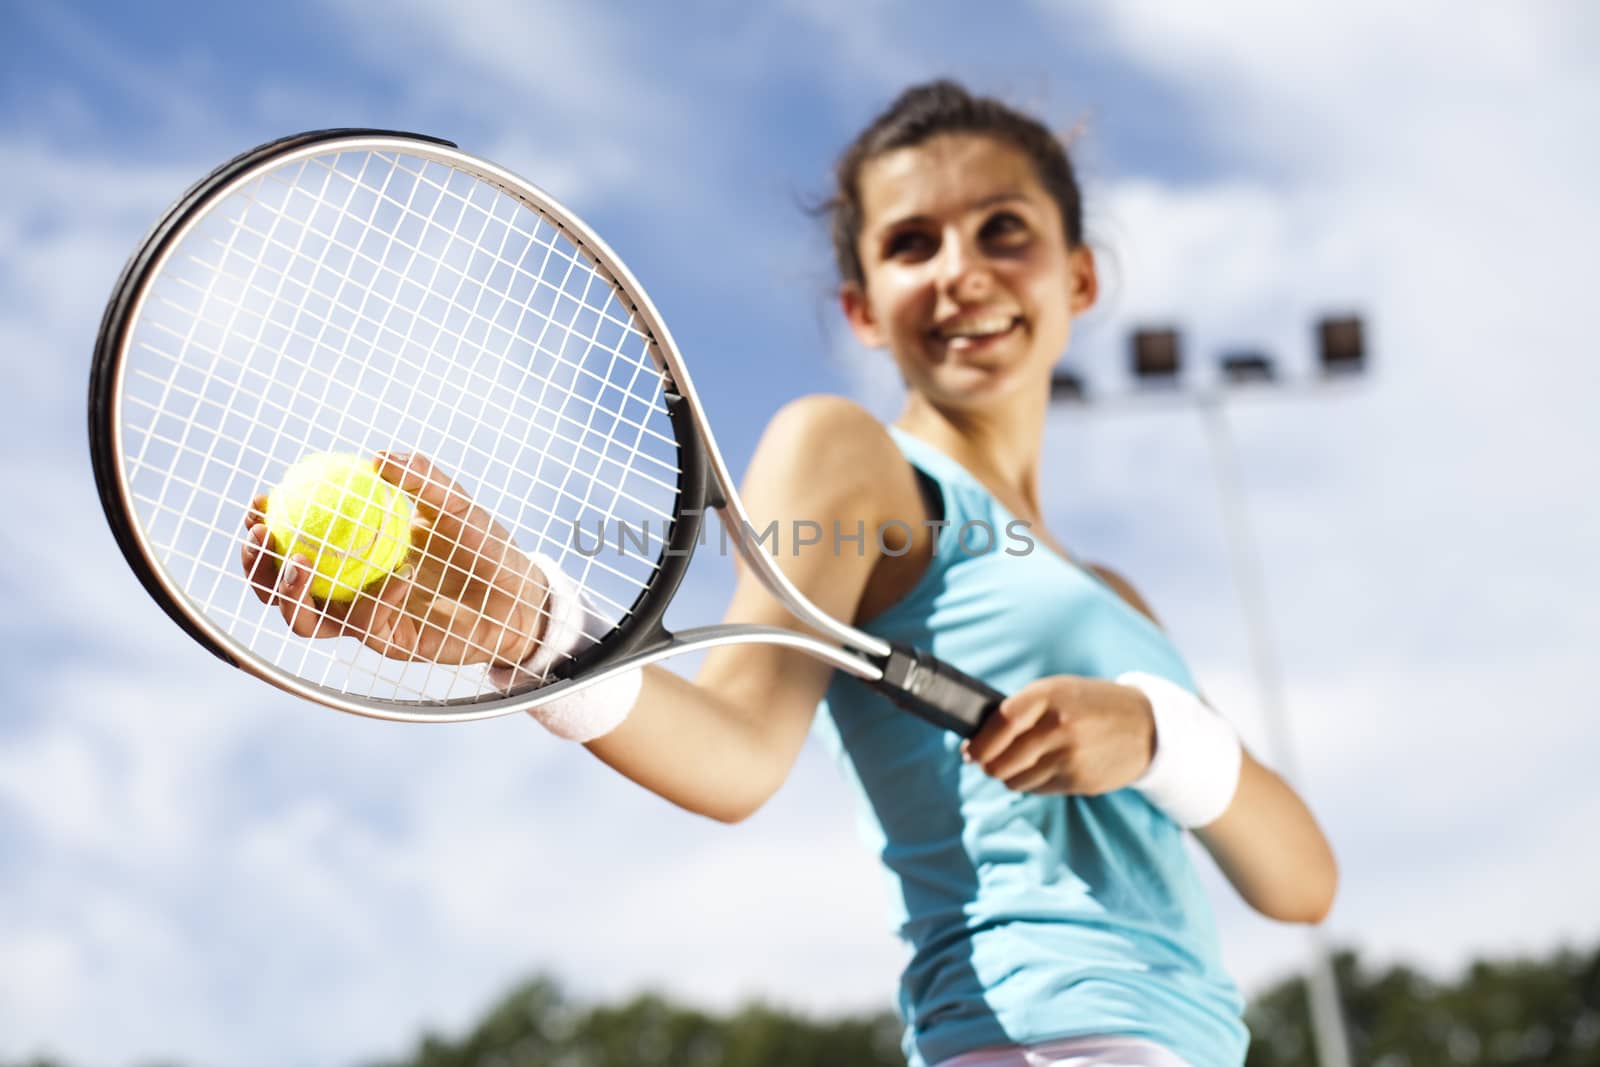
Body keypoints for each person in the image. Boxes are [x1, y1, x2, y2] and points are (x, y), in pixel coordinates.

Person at [242, 80, 1337, 1067]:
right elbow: (736, 751)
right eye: (912, 244)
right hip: (1044, 1041)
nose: (960, 270)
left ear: (1077, 274)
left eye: (1003, 230)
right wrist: (538, 630)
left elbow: (1298, 881)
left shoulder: (1114, 593)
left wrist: (1157, 730)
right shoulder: (850, 455)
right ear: (861, 305)